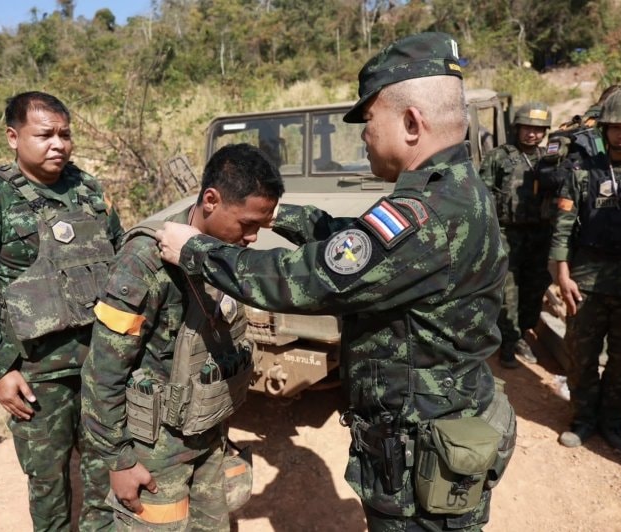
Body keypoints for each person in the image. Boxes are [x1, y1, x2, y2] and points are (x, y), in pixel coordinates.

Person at [156, 33, 514, 531]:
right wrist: (279, 214)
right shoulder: (454, 191)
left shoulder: (425, 214)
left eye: (368, 123)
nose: (363, 137)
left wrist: (195, 250)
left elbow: (308, 279)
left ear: (411, 123)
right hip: (444, 419)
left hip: (420, 450)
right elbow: (359, 246)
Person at [81, 143, 284, 530]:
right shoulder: (143, 261)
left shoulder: (221, 254)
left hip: (208, 432)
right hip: (155, 451)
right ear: (211, 200)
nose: (253, 238)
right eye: (247, 224)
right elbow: (102, 370)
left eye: (260, 226)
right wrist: (119, 460)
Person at [0, 91, 122, 530]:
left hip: (99, 365)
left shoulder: (88, 189)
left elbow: (119, 264)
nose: (58, 144)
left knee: (104, 472)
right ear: (13, 136)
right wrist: (0, 370)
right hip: (36, 374)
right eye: (45, 135)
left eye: (65, 134)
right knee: (48, 484)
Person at [551, 86, 621, 452]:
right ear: (603, 129)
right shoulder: (582, 171)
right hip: (586, 279)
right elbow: (562, 225)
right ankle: (583, 418)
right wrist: (561, 272)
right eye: (616, 126)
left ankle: (613, 421)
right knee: (582, 356)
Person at [479, 102, 553, 369]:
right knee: (508, 290)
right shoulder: (499, 157)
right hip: (508, 233)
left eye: (538, 130)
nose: (532, 134)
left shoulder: (550, 158)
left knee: (535, 288)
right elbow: (484, 194)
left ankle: (523, 332)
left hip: (540, 235)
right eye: (527, 128)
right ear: (517, 128)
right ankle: (508, 342)